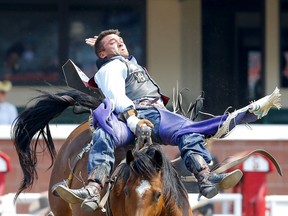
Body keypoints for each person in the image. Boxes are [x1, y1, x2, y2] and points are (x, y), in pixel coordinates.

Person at [55, 29, 281, 212]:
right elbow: (117, 97)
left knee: (189, 131)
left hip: (159, 115)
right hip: (130, 118)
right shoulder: (110, 67)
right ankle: (95, 186)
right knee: (105, 133)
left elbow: (117, 59)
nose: (121, 43)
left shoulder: (130, 64)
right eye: (113, 43)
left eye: (121, 40)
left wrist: (104, 43)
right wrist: (134, 121)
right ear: (102, 55)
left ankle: (205, 176)